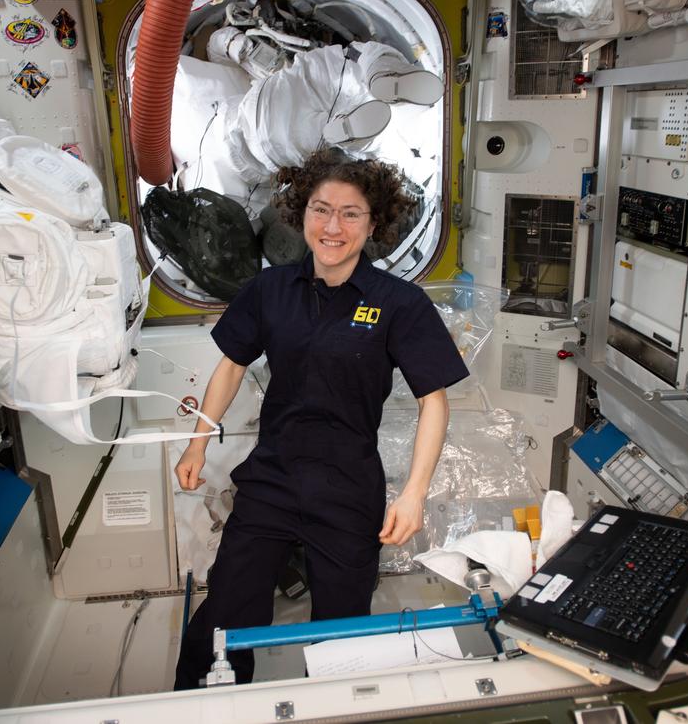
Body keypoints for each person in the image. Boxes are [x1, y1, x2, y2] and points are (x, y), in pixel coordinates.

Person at [172, 148, 470, 689]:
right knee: (226, 615)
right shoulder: (270, 290)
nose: (333, 226)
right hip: (272, 478)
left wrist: (414, 494)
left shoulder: (397, 302)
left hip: (348, 486)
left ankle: (337, 703)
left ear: (373, 222)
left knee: (344, 630)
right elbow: (232, 365)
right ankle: (201, 703)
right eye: (320, 209)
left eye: (351, 213)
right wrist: (198, 444)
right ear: (301, 214)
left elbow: (434, 400)